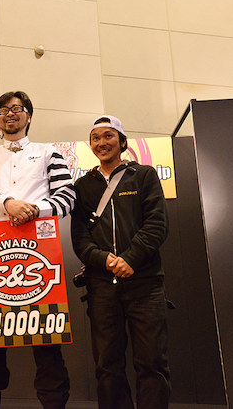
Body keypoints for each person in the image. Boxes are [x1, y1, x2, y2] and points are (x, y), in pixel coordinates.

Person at [0, 91, 76, 409]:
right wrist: (7, 204)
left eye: (17, 108)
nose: (10, 114)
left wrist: (34, 210)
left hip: (39, 254)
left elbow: (67, 197)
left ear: (29, 115)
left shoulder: (49, 153)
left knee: (47, 341)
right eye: (3, 110)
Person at [70, 115, 170, 409]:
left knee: (152, 363)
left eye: (108, 136)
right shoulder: (82, 186)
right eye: (95, 138)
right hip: (101, 287)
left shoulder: (144, 175)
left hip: (145, 285)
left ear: (122, 142)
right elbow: (80, 239)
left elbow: (157, 225)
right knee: (107, 366)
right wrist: (104, 260)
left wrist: (130, 259)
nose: (102, 142)